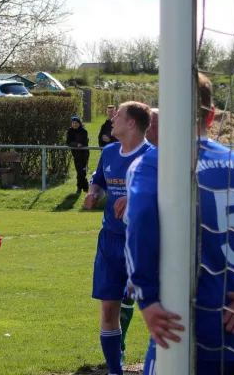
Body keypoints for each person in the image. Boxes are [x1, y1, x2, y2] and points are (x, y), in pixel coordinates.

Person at [125, 74, 234, 374]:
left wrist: (147, 299)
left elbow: (140, 227)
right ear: (213, 114)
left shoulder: (155, 165)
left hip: (183, 333)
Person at [84, 101, 153, 375]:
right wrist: (94, 194)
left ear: (132, 123)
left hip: (142, 243)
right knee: (107, 310)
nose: (112, 118)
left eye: (119, 115)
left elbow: (168, 196)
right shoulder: (110, 151)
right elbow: (99, 182)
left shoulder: (152, 156)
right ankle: (115, 371)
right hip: (110, 241)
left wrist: (134, 198)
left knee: (155, 308)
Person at [114, 107, 159, 359]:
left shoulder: (149, 162)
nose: (151, 126)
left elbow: (143, 216)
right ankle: (120, 347)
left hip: (151, 245)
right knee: (122, 299)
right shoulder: (116, 152)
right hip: (119, 237)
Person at [65, 116, 89, 193]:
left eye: (76, 123)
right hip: (75, 153)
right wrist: (76, 144)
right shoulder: (70, 131)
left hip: (84, 153)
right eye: (73, 123)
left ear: (79, 123)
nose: (74, 125)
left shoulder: (84, 131)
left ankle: (82, 187)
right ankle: (84, 187)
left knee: (82, 171)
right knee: (79, 171)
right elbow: (68, 142)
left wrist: (80, 145)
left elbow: (85, 142)